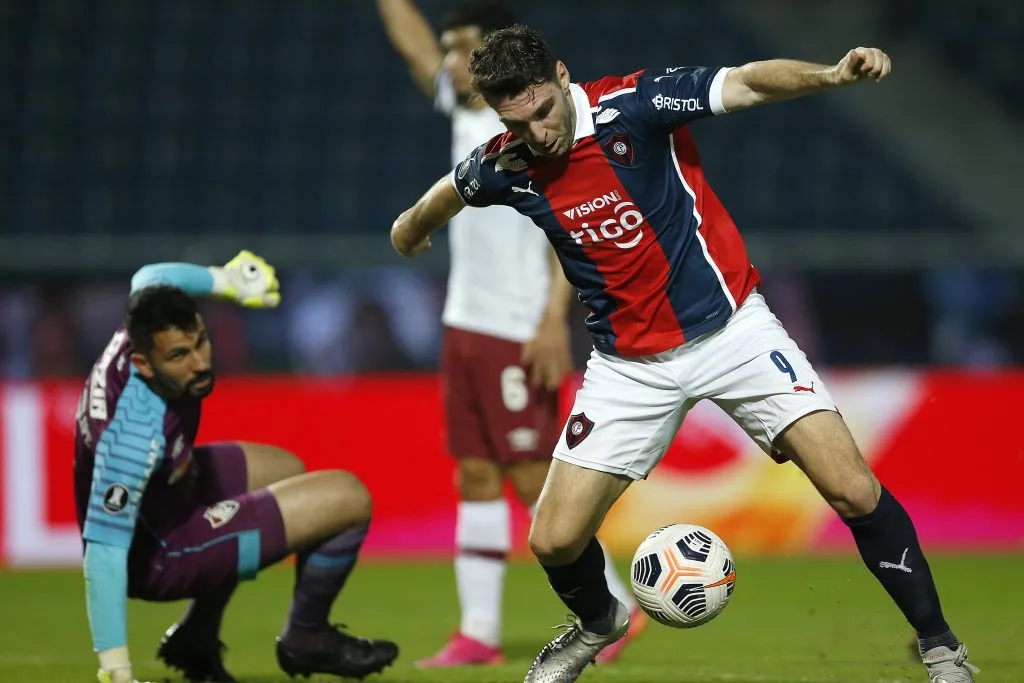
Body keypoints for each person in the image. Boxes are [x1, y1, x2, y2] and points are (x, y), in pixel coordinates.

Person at [390, 24, 979, 683]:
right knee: (553, 538)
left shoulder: (635, 106)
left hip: (733, 333)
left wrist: (832, 73)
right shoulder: (508, 162)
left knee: (851, 487)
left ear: (561, 78)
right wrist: (410, 231)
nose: (537, 133)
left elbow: (749, 80)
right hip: (627, 367)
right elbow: (441, 197)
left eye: (542, 112)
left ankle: (940, 647)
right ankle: (599, 622)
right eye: (516, 122)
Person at [377, 0, 643, 667]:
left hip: (519, 324)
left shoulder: (537, 132)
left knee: (531, 479)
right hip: (464, 321)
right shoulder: (470, 110)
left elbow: (568, 227)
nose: (447, 59)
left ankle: (616, 607)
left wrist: (554, 318)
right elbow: (414, 51)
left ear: (493, 51)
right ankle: (480, 631)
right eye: (448, 46)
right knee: (473, 474)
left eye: (461, 45)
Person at [75, 251, 399, 683]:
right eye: (180, 356)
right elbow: (103, 555)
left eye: (201, 341)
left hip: (171, 494)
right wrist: (116, 672)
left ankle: (197, 636)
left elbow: (150, 274)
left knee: (287, 470)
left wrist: (227, 281)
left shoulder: (145, 321)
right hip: (161, 553)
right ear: (143, 365)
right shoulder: (130, 437)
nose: (201, 362)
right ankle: (307, 639)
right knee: (349, 497)